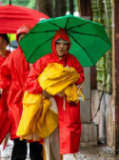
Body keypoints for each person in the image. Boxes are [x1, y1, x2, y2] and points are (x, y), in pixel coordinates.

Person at [25, 28, 85, 159]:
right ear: (54, 44)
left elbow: (80, 78)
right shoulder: (44, 60)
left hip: (67, 108)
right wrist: (43, 90)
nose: (61, 47)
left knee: (66, 141)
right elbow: (30, 81)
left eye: (65, 44)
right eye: (59, 43)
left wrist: (69, 79)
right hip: (49, 107)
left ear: (69, 45)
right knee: (50, 140)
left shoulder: (73, 61)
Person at [0, 24, 43, 160]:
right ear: (18, 40)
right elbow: (4, 74)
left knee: (35, 133)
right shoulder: (13, 56)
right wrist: (4, 86)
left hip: (33, 97)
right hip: (16, 99)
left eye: (26, 37)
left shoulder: (37, 55)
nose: (24, 40)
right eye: (21, 37)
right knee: (19, 133)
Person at [0, 34, 10, 146]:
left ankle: (5, 145)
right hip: (1, 93)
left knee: (9, 119)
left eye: (3, 41)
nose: (0, 44)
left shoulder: (11, 56)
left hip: (11, 93)